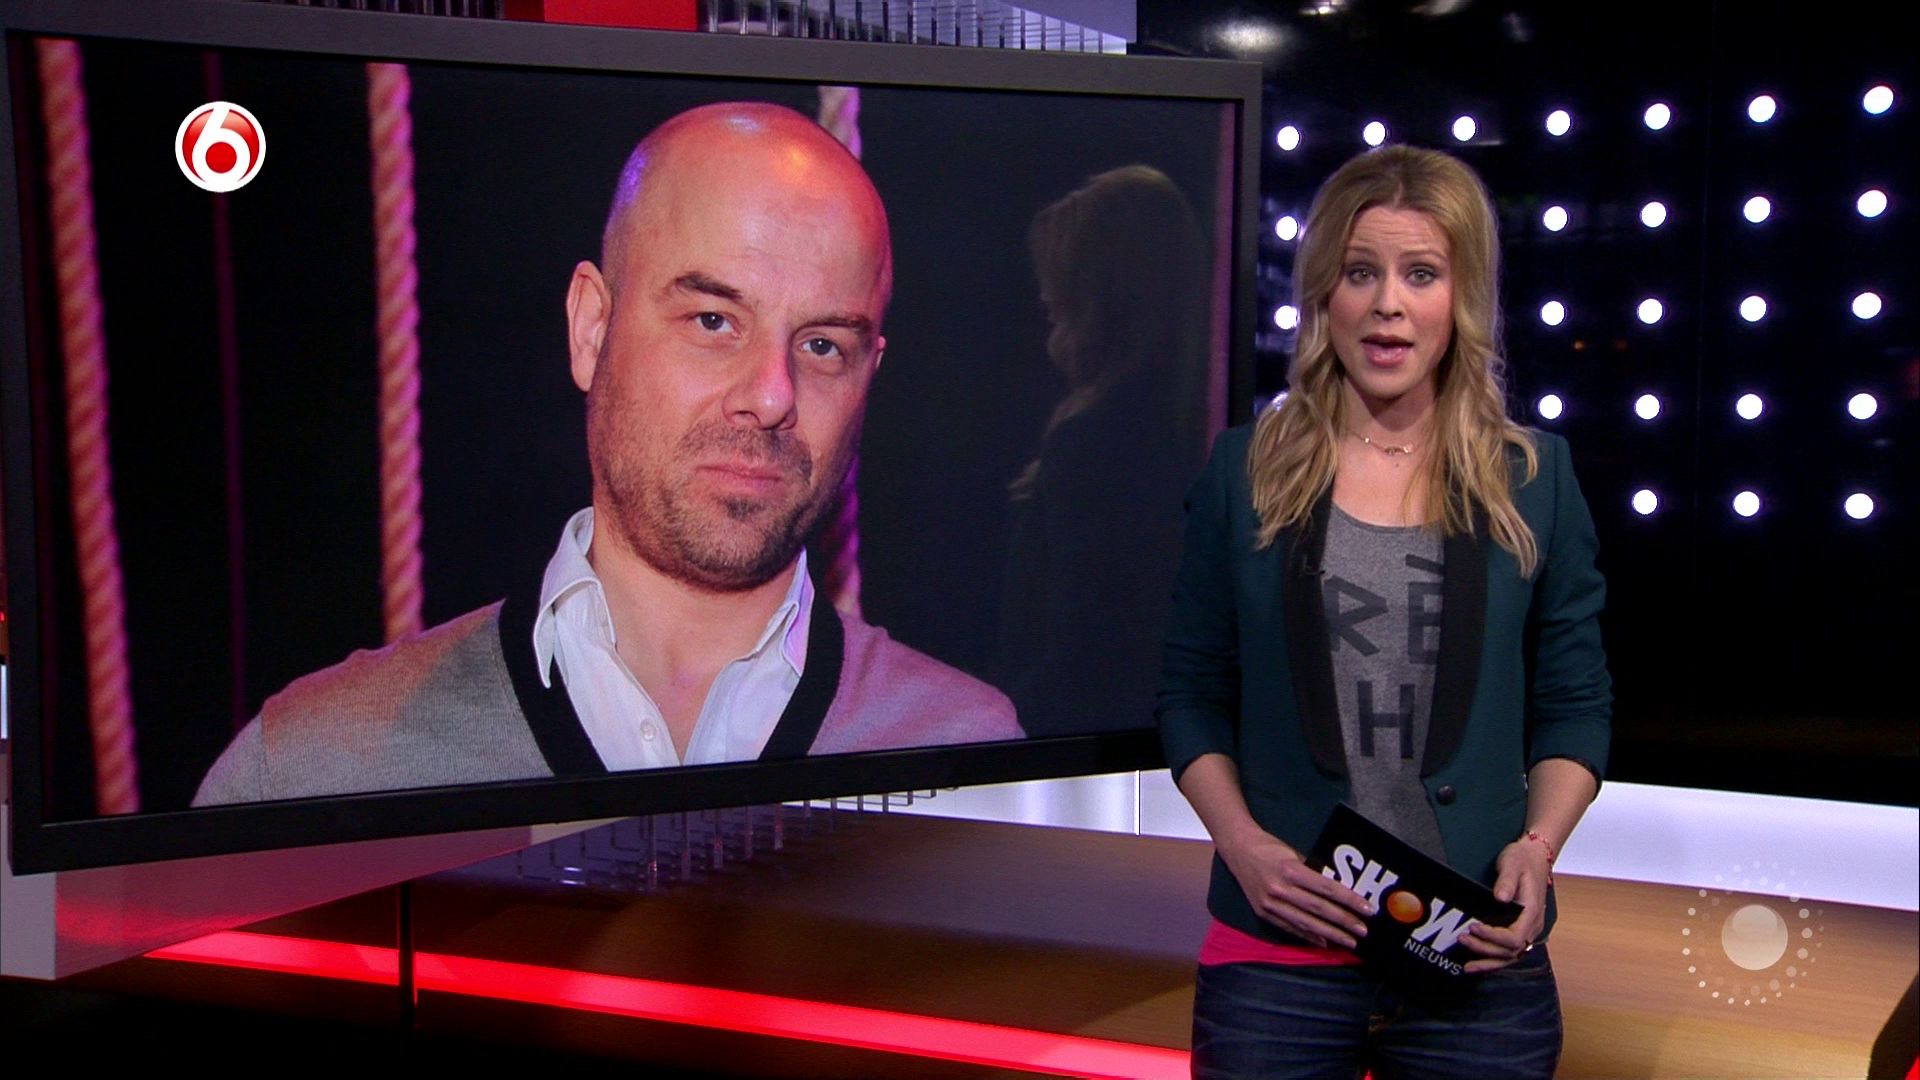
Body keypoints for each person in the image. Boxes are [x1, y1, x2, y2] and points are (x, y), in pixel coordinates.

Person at [194, 102, 1021, 807]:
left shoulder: (973, 763)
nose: (772, 395)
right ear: (592, 328)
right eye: (712, 321)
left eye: (823, 345)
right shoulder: (314, 769)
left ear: (871, 375)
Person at [1156, 145, 1610, 1078]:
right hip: (1279, 961)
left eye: (1422, 274)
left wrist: (1539, 848)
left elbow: (1575, 704)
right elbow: (1191, 694)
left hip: (1475, 958)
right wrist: (1243, 848)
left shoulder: (1535, 480)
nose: (1388, 304)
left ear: (1463, 295)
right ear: (1324, 293)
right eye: (1361, 272)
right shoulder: (1244, 473)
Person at [996, 165, 1213, 736]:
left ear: (1100, 293)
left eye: (1059, 277)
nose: (1044, 295)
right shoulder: (1175, 427)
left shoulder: (1100, 443)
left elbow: (1087, 653)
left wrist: (992, 734)